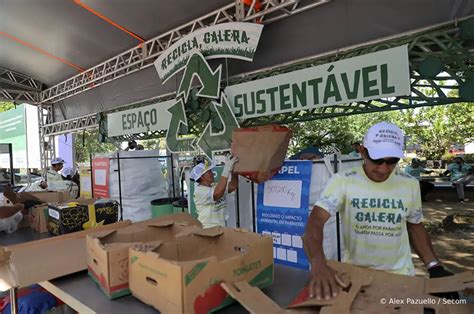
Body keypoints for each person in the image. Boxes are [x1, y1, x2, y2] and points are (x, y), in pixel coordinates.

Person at [303, 122, 456, 301]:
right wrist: (318, 263)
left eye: (392, 161)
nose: (383, 169)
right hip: (356, 276)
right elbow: (315, 222)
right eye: (377, 160)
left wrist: (434, 266)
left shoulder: (409, 184)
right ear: (362, 151)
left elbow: (415, 226)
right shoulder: (342, 181)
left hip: (401, 276)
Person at [190, 155, 238, 228]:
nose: (212, 174)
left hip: (220, 227)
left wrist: (234, 171)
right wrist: (226, 169)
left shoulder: (214, 186)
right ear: (202, 177)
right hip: (208, 228)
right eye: (209, 172)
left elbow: (233, 186)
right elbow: (218, 193)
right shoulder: (199, 191)